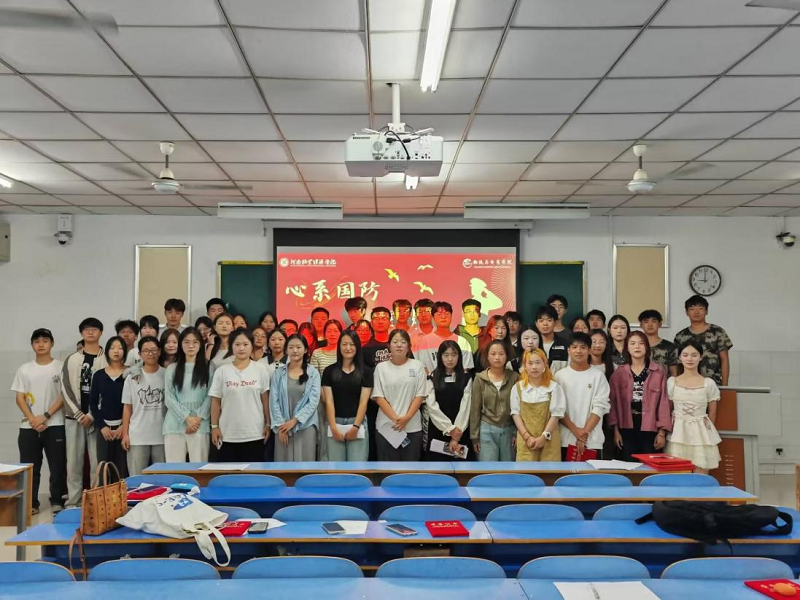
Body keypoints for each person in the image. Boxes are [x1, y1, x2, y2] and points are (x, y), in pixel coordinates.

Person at [12, 328, 66, 515]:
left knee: (57, 466)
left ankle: (57, 501)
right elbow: (19, 397)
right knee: (30, 468)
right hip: (28, 426)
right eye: (37, 341)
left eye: (45, 340)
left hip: (55, 424)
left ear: (52, 344)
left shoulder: (60, 367)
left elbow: (63, 396)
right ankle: (31, 503)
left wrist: (46, 416)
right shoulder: (24, 369)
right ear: (32, 345)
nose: (41, 344)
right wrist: (33, 419)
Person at [61, 317, 107, 508]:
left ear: (100, 333)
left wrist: (92, 414)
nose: (90, 332)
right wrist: (80, 415)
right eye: (86, 329)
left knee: (97, 461)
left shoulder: (107, 358)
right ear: (81, 333)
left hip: (97, 419)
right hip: (74, 419)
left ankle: (96, 501)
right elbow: (65, 389)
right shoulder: (72, 359)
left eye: (94, 329)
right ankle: (73, 501)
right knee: (73, 462)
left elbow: (108, 390)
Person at [209, 328, 271, 462]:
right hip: (227, 434)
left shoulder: (260, 369)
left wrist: (268, 424)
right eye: (237, 344)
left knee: (253, 472)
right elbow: (215, 401)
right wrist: (214, 427)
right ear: (231, 347)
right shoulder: (222, 371)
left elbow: (265, 399)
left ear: (251, 346)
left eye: (245, 344)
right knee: (228, 472)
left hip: (255, 432)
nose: (241, 348)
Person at [608, 332, 671, 461]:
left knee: (649, 465)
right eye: (632, 343)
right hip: (626, 427)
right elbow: (612, 404)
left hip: (651, 427)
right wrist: (615, 431)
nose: (637, 346)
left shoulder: (658, 371)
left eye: (641, 343)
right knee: (627, 465)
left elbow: (663, 402)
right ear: (627, 348)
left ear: (647, 347)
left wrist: (662, 432)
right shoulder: (619, 373)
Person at [666, 340, 722, 473]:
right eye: (685, 355)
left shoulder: (709, 383)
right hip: (678, 432)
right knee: (677, 473)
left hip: (701, 434)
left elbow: (713, 413)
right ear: (680, 358)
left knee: (701, 473)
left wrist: (708, 434)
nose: (689, 359)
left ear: (700, 357)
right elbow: (667, 410)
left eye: (694, 355)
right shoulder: (672, 382)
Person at [372, 329, 427, 461]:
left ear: (409, 346)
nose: (399, 345)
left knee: (410, 468)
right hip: (386, 427)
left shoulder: (418, 366)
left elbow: (419, 396)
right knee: (387, 468)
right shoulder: (381, 368)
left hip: (412, 427)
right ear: (389, 346)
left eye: (403, 342)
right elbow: (379, 397)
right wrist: (397, 420)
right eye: (395, 342)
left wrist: (406, 419)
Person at [556, 333, 611, 460]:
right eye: (574, 347)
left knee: (591, 473)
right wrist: (576, 431)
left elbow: (600, 407)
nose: (578, 351)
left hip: (592, 441)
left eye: (583, 347)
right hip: (565, 439)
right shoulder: (559, 376)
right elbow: (558, 408)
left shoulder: (598, 376)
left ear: (589, 350)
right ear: (568, 350)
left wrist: (584, 434)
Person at [164, 327, 212, 463]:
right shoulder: (172, 369)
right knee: (174, 470)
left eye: (195, 342)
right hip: (174, 425)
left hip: (200, 425)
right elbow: (169, 398)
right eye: (186, 342)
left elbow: (211, 396)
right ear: (181, 344)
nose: (191, 346)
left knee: (199, 468)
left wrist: (197, 419)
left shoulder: (209, 367)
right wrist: (186, 418)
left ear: (201, 345)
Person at [270, 334, 321, 462]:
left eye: (298, 347)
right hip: (283, 428)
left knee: (305, 465)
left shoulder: (313, 373)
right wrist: (281, 426)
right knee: (283, 465)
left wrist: (295, 421)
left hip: (306, 425)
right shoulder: (278, 373)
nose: (295, 350)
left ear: (305, 350)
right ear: (286, 350)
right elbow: (274, 401)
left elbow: (313, 401)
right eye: (291, 347)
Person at [322, 331, 372, 461]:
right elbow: (329, 401)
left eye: (352, 344)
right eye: (344, 344)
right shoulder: (329, 371)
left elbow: (363, 402)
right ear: (339, 346)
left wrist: (356, 427)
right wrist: (333, 427)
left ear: (357, 347)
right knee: (336, 468)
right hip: (335, 422)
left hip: (357, 423)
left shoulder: (366, 372)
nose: (348, 348)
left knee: (357, 467)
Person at [121, 336, 165, 476]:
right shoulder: (132, 378)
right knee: (137, 479)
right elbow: (127, 408)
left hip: (162, 436)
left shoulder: (167, 374)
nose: (150, 353)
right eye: (146, 351)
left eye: (154, 350)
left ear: (159, 352)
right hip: (137, 436)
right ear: (140, 354)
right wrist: (125, 434)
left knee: (163, 479)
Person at [511, 348, 565, 462]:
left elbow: (556, 415)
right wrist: (527, 437)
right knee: (526, 472)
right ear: (525, 366)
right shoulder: (518, 388)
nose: (534, 367)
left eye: (538, 362)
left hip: (549, 440)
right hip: (526, 441)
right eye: (530, 363)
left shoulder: (554, 387)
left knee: (549, 471)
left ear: (545, 364)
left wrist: (544, 437)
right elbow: (515, 414)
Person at [470, 339, 518, 461]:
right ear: (487, 356)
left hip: (509, 428)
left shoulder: (514, 377)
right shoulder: (480, 379)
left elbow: (520, 408)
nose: (497, 357)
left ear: (506, 356)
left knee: (508, 469)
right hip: (487, 428)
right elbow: (475, 409)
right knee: (488, 468)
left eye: (501, 354)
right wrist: (474, 437)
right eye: (493, 354)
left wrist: (517, 433)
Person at [424, 340, 474, 461]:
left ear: (459, 357)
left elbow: (466, 407)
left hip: (461, 430)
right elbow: (432, 407)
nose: (450, 359)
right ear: (440, 357)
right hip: (439, 429)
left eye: (453, 355)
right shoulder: (432, 378)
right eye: (446, 355)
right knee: (438, 466)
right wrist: (449, 429)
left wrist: (456, 435)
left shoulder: (467, 378)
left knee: (461, 466)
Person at [90, 336, 128, 479]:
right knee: (104, 471)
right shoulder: (99, 375)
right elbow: (93, 404)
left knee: (123, 470)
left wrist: (124, 426)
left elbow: (133, 404)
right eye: (112, 348)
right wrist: (102, 427)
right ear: (107, 351)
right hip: (104, 430)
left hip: (124, 430)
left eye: (120, 348)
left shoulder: (129, 374)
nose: (116, 351)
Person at [673, 295, 732, 386]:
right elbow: (678, 363)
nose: (696, 312)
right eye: (692, 309)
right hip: (688, 386)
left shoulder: (717, 332)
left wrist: (725, 386)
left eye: (700, 308)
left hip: (714, 384)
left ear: (706, 311)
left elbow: (724, 359)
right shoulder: (680, 336)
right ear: (687, 312)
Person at [416, 302, 475, 374]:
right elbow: (421, 367)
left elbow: (465, 369)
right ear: (433, 317)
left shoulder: (462, 341)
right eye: (439, 314)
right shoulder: (425, 341)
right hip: (432, 380)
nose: (443, 317)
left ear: (451, 316)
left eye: (447, 314)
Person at [637, 309, 678, 377]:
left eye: (654, 321)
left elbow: (674, 375)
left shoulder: (670, 347)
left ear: (660, 324)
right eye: (646, 322)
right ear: (641, 325)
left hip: (663, 383)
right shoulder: (635, 346)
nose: (650, 325)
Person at [535, 305, 568, 373]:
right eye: (541, 321)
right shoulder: (533, 345)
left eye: (549, 320)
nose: (545, 324)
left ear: (555, 323)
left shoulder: (565, 345)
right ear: (536, 324)